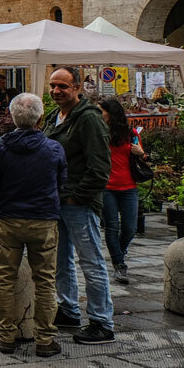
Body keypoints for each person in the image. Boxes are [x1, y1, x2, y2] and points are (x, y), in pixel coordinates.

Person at [0, 93, 67, 357]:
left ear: (12, 117)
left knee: (5, 279)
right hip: (43, 220)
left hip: (8, 219)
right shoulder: (53, 148)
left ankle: (6, 336)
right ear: (40, 118)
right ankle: (44, 339)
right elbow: (62, 185)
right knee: (45, 282)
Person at [44, 66, 116, 345]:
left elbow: (100, 167)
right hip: (58, 200)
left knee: (91, 262)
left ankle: (101, 322)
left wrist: (79, 196)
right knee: (60, 260)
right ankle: (69, 309)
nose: (56, 91)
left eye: (62, 86)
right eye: (53, 86)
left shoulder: (89, 119)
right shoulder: (55, 116)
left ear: (77, 87)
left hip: (78, 203)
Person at [99, 97, 144, 285]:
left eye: (101, 111)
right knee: (112, 227)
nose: (98, 114)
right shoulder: (99, 132)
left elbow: (142, 154)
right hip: (107, 187)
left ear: (111, 113)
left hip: (129, 187)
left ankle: (119, 252)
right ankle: (119, 264)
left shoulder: (131, 133)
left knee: (130, 228)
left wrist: (140, 152)